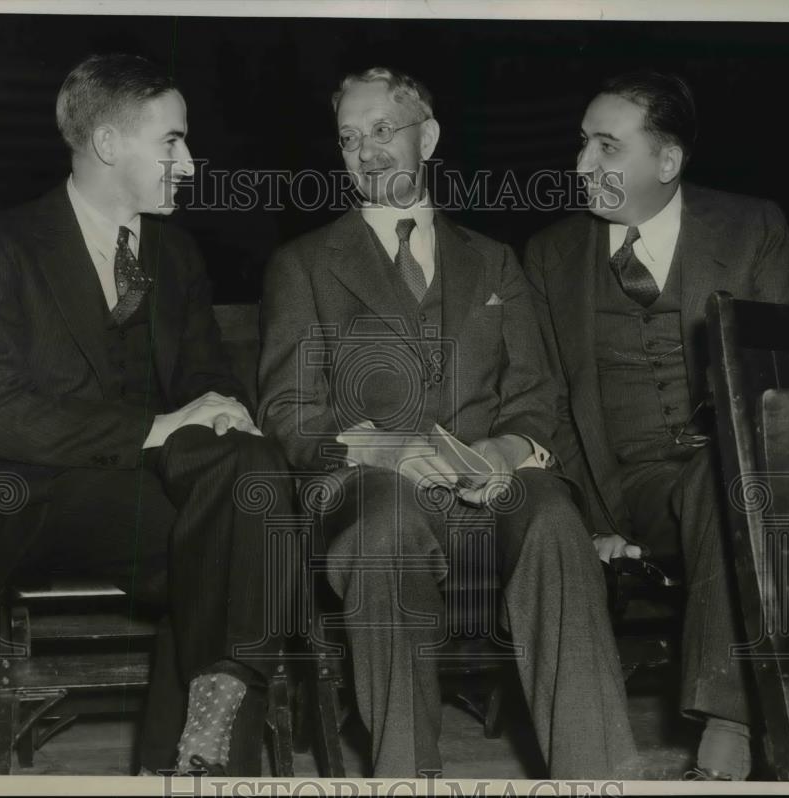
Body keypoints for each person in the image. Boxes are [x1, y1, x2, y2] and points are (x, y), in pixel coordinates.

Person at [258, 67, 636, 779]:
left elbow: (535, 395)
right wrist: (387, 447)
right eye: (348, 138)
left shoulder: (494, 260)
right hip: (369, 494)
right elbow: (288, 412)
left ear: (426, 137)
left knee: (553, 518)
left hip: (488, 497)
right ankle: (406, 777)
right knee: (387, 529)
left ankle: (594, 776)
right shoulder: (301, 264)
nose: (366, 153)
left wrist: (503, 448)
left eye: (381, 131)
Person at [0, 53, 294, 777]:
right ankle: (200, 759)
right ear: (107, 145)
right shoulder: (0, 247)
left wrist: (225, 410)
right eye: (172, 141)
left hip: (150, 491)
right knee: (242, 537)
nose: (191, 163)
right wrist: (151, 429)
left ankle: (198, 747)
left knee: (249, 475)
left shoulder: (176, 253)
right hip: (31, 497)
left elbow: (202, 374)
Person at [523, 70, 789, 780]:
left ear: (667, 161)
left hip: (746, 473)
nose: (581, 167)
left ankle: (726, 743)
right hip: (631, 491)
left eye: (605, 148)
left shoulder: (752, 229)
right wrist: (585, 516)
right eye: (581, 146)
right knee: (730, 489)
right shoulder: (550, 257)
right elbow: (547, 402)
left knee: (736, 483)